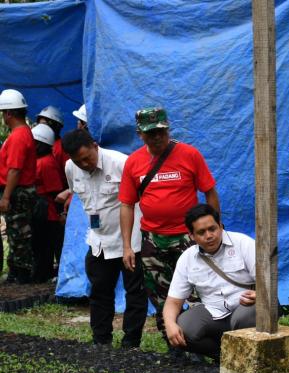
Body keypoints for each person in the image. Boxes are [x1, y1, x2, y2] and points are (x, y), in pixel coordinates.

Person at [119, 106, 220, 354]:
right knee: (160, 294)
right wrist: (127, 246)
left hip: (188, 238)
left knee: (199, 291)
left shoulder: (189, 155)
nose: (157, 138)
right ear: (140, 134)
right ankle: (174, 345)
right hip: (153, 240)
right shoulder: (133, 162)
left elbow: (209, 191)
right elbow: (126, 205)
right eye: (151, 133)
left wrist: (216, 228)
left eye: (161, 132)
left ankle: (202, 346)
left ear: (168, 129)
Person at [61, 128, 147, 351]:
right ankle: (101, 340)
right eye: (79, 161)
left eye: (87, 158)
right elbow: (75, 193)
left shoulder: (121, 163)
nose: (85, 164)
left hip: (131, 241)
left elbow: (144, 197)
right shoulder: (71, 168)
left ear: (95, 146)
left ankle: (131, 342)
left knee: (135, 292)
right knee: (99, 291)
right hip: (99, 241)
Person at [164, 204, 256, 361]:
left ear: (220, 226)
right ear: (191, 236)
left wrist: (258, 294)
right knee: (183, 327)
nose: (209, 235)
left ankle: (248, 356)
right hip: (214, 313)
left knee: (242, 317)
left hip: (248, 308)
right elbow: (173, 301)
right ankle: (224, 356)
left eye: (212, 229)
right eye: (201, 232)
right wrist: (170, 324)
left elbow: (268, 282)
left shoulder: (244, 243)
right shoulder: (187, 258)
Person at [0, 89, 38, 284]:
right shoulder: (22, 133)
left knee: (18, 232)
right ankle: (16, 271)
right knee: (17, 232)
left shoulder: (18, 136)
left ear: (9, 113)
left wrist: (6, 197)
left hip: (18, 191)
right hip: (20, 189)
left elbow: (14, 170)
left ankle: (22, 272)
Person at [30, 124, 64, 282]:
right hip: (41, 208)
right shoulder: (40, 160)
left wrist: (58, 213)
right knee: (40, 243)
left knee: (45, 244)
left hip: (47, 211)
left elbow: (55, 190)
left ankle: (43, 273)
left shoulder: (46, 163)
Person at [36, 105, 69, 180]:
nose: (41, 128)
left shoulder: (62, 147)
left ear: (55, 126)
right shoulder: (39, 144)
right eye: (39, 124)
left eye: (44, 125)